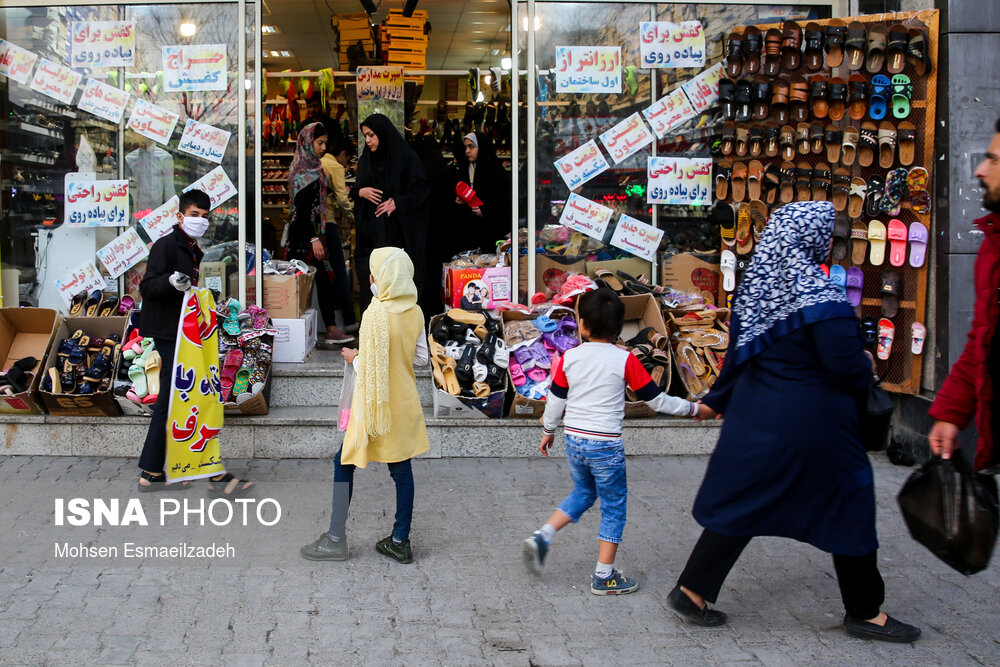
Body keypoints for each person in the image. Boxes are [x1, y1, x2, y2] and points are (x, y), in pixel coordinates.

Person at [667, 201, 920, 643]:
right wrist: (864, 361)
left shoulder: (755, 290)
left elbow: (736, 357)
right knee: (849, 505)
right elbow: (845, 367)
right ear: (813, 238)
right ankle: (866, 612)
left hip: (755, 421)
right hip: (815, 427)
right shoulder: (819, 296)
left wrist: (716, 400)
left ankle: (693, 591)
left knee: (744, 502)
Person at [522, 288, 707, 595]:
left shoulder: (569, 358)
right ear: (619, 328)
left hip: (575, 440)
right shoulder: (625, 360)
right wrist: (693, 408)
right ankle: (604, 576)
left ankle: (543, 535)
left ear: (582, 325)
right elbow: (657, 401)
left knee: (583, 492)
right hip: (605, 445)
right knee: (614, 507)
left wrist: (548, 432)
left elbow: (555, 401)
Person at [300, 247, 430, 564]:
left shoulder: (375, 314)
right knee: (402, 469)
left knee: (343, 463)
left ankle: (335, 539)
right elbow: (422, 359)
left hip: (373, 406)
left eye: (372, 273)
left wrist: (353, 356)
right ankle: (400, 540)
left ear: (378, 278)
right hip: (403, 404)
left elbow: (370, 369)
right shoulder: (415, 311)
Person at [136, 189, 253, 495]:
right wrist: (171, 282)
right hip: (168, 333)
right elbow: (147, 286)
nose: (199, 220)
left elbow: (191, 296)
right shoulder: (166, 246)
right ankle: (198, 472)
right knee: (183, 398)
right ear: (179, 216)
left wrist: (215, 307)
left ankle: (154, 470)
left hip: (184, 334)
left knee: (177, 400)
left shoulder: (192, 250)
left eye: (204, 215)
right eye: (194, 215)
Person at [928, 119, 1000, 472]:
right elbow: (983, 340)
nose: (981, 171)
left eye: (994, 159)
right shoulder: (993, 245)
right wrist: (950, 413)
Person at [352, 114, 430, 314]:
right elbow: (356, 189)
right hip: (370, 237)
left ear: (383, 134)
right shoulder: (366, 159)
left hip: (396, 236)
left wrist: (398, 202)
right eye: (365, 136)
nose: (368, 140)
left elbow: (421, 189)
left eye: (371, 135)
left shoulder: (404, 157)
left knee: (394, 285)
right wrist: (361, 192)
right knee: (371, 286)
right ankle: (372, 333)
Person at [287, 122, 355, 345]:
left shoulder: (314, 168)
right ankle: (295, 331)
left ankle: (331, 330)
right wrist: (314, 238)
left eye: (325, 143)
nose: (323, 147)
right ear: (307, 142)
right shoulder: (303, 173)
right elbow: (301, 211)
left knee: (325, 280)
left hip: (317, 234)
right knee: (301, 284)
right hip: (305, 237)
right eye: (319, 143)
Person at [319, 135, 360, 335]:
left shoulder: (318, 161)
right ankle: (350, 320)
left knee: (324, 273)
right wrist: (355, 216)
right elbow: (343, 200)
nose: (347, 165)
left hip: (318, 224)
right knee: (340, 272)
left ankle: (331, 323)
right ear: (342, 154)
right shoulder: (334, 166)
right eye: (348, 159)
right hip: (330, 222)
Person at [452, 132, 511, 255]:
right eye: (466, 147)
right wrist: (459, 199)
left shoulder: (495, 172)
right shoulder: (466, 168)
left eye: (471, 147)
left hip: (491, 230)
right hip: (470, 230)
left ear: (481, 147)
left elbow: (503, 201)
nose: (467, 151)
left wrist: (485, 210)